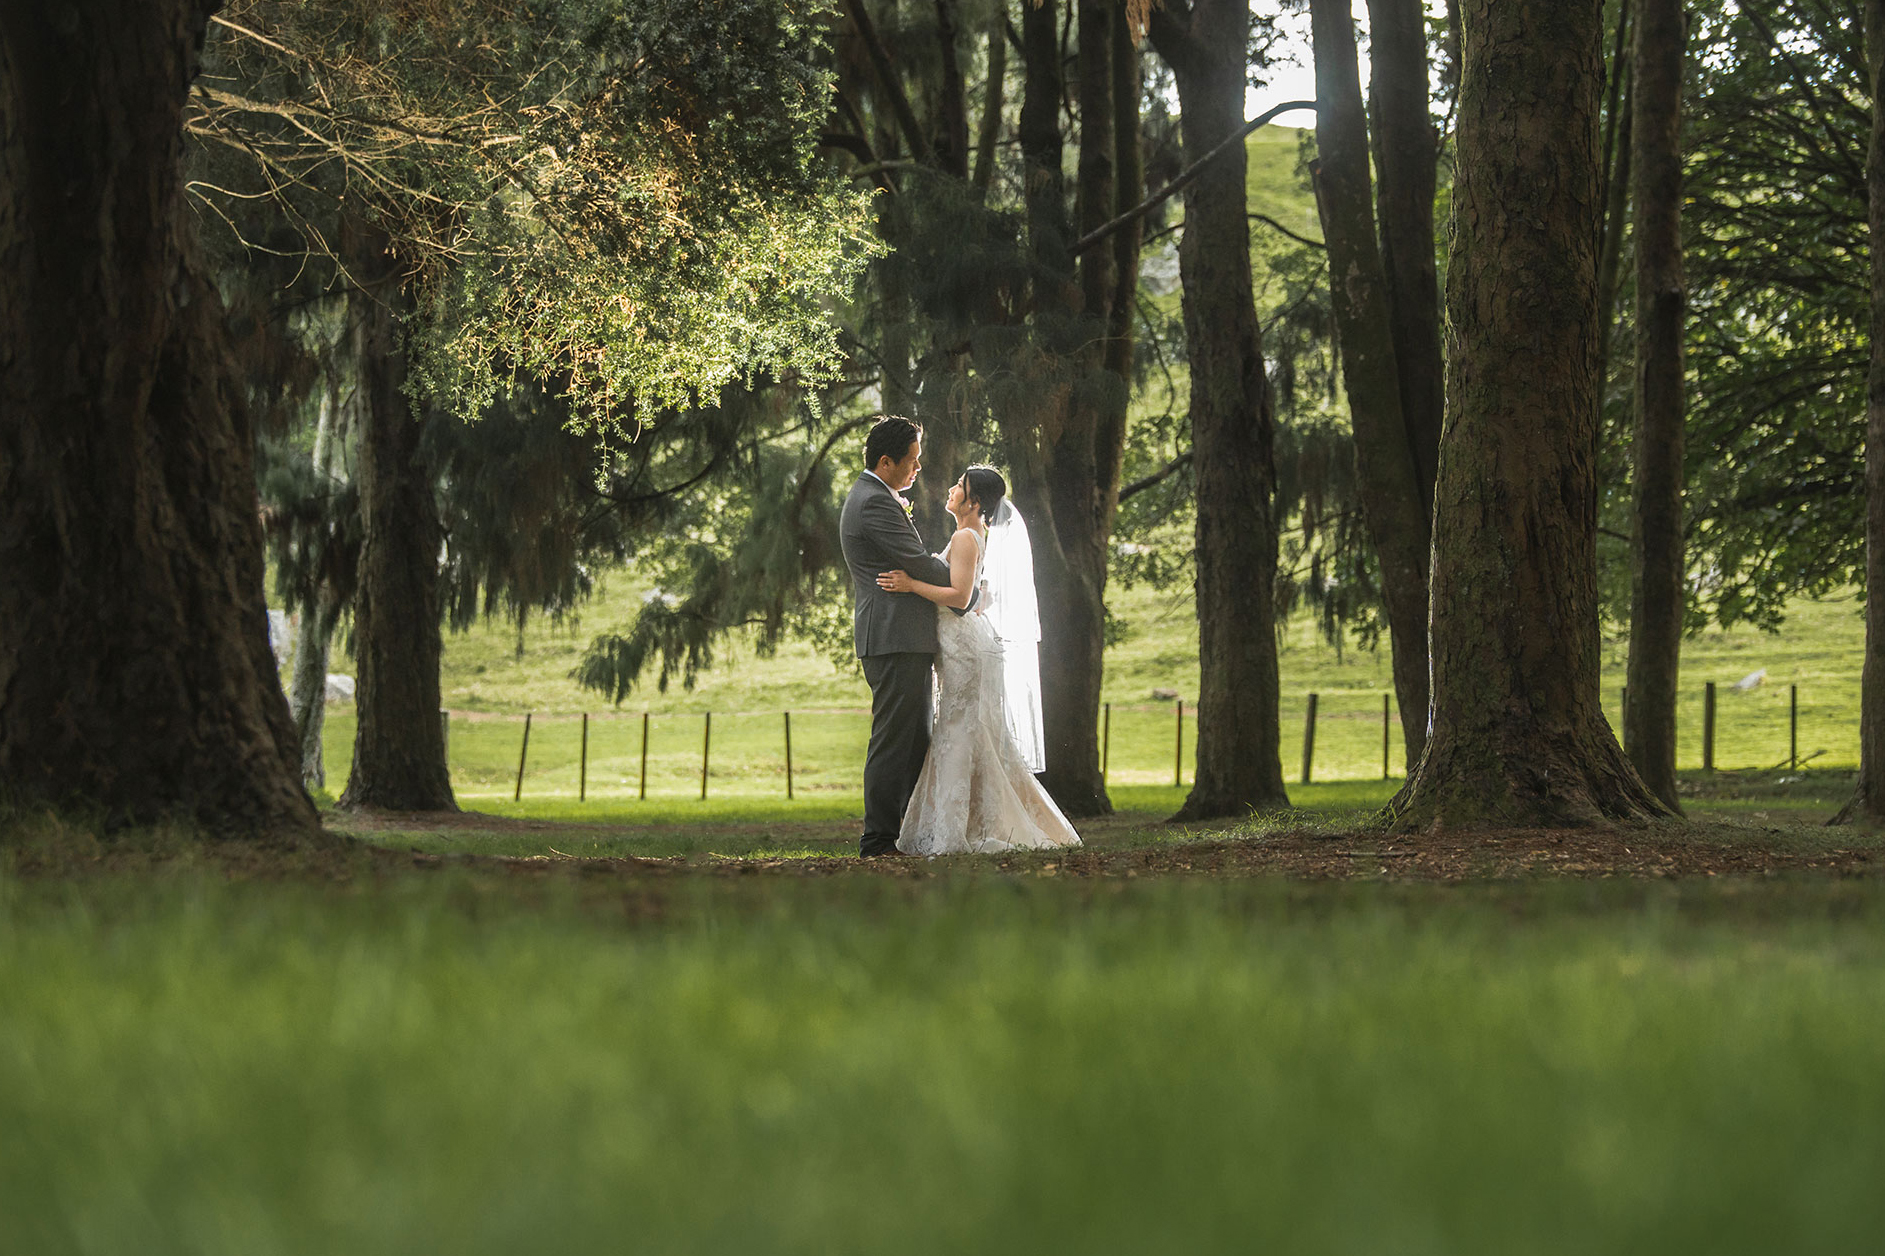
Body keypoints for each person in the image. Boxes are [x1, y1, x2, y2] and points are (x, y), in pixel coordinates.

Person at [876, 466, 1081, 856]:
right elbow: (978, 597)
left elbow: (959, 597)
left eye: (959, 486)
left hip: (963, 649)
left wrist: (910, 585)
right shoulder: (972, 536)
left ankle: (961, 828)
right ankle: (976, 819)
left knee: (961, 729)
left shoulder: (965, 537)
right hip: (961, 644)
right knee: (969, 730)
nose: (951, 490)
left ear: (973, 501)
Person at [838, 416, 964, 858]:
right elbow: (913, 559)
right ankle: (877, 839)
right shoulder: (873, 502)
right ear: (886, 461)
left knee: (912, 740)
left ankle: (910, 833)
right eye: (911, 460)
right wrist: (964, 586)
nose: (917, 467)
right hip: (893, 636)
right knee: (894, 739)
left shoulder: (878, 496)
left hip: (901, 636)